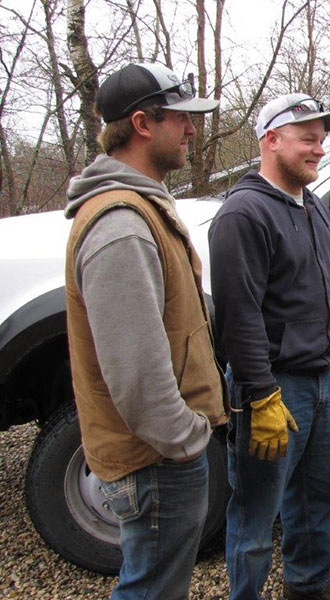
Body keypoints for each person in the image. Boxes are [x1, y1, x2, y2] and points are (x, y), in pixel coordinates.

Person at [64, 62, 227, 599]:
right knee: (150, 590)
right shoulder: (121, 225)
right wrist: (186, 441)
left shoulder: (142, 208)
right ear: (141, 124)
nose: (192, 130)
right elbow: (134, 370)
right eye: (181, 119)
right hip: (157, 459)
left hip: (160, 454)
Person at [208, 93, 330, 600]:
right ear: (271, 140)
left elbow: (329, 284)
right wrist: (259, 394)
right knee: (256, 510)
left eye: (321, 140)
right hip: (274, 389)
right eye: (307, 139)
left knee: (319, 493)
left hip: (319, 381)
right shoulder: (244, 213)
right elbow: (239, 315)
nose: (318, 150)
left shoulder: (313, 204)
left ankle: (309, 584)